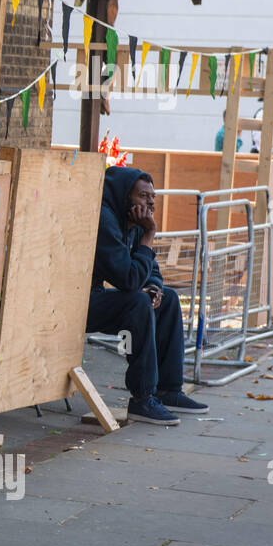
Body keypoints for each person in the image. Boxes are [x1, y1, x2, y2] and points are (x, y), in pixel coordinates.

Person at [85, 167, 208, 425]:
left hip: (96, 297)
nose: (150, 202)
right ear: (124, 197)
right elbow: (128, 280)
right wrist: (149, 236)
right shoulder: (105, 220)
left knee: (169, 299)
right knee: (138, 303)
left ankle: (169, 390)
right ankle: (142, 398)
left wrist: (154, 287)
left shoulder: (136, 222)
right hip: (77, 303)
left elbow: (150, 271)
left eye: (153, 197)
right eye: (143, 196)